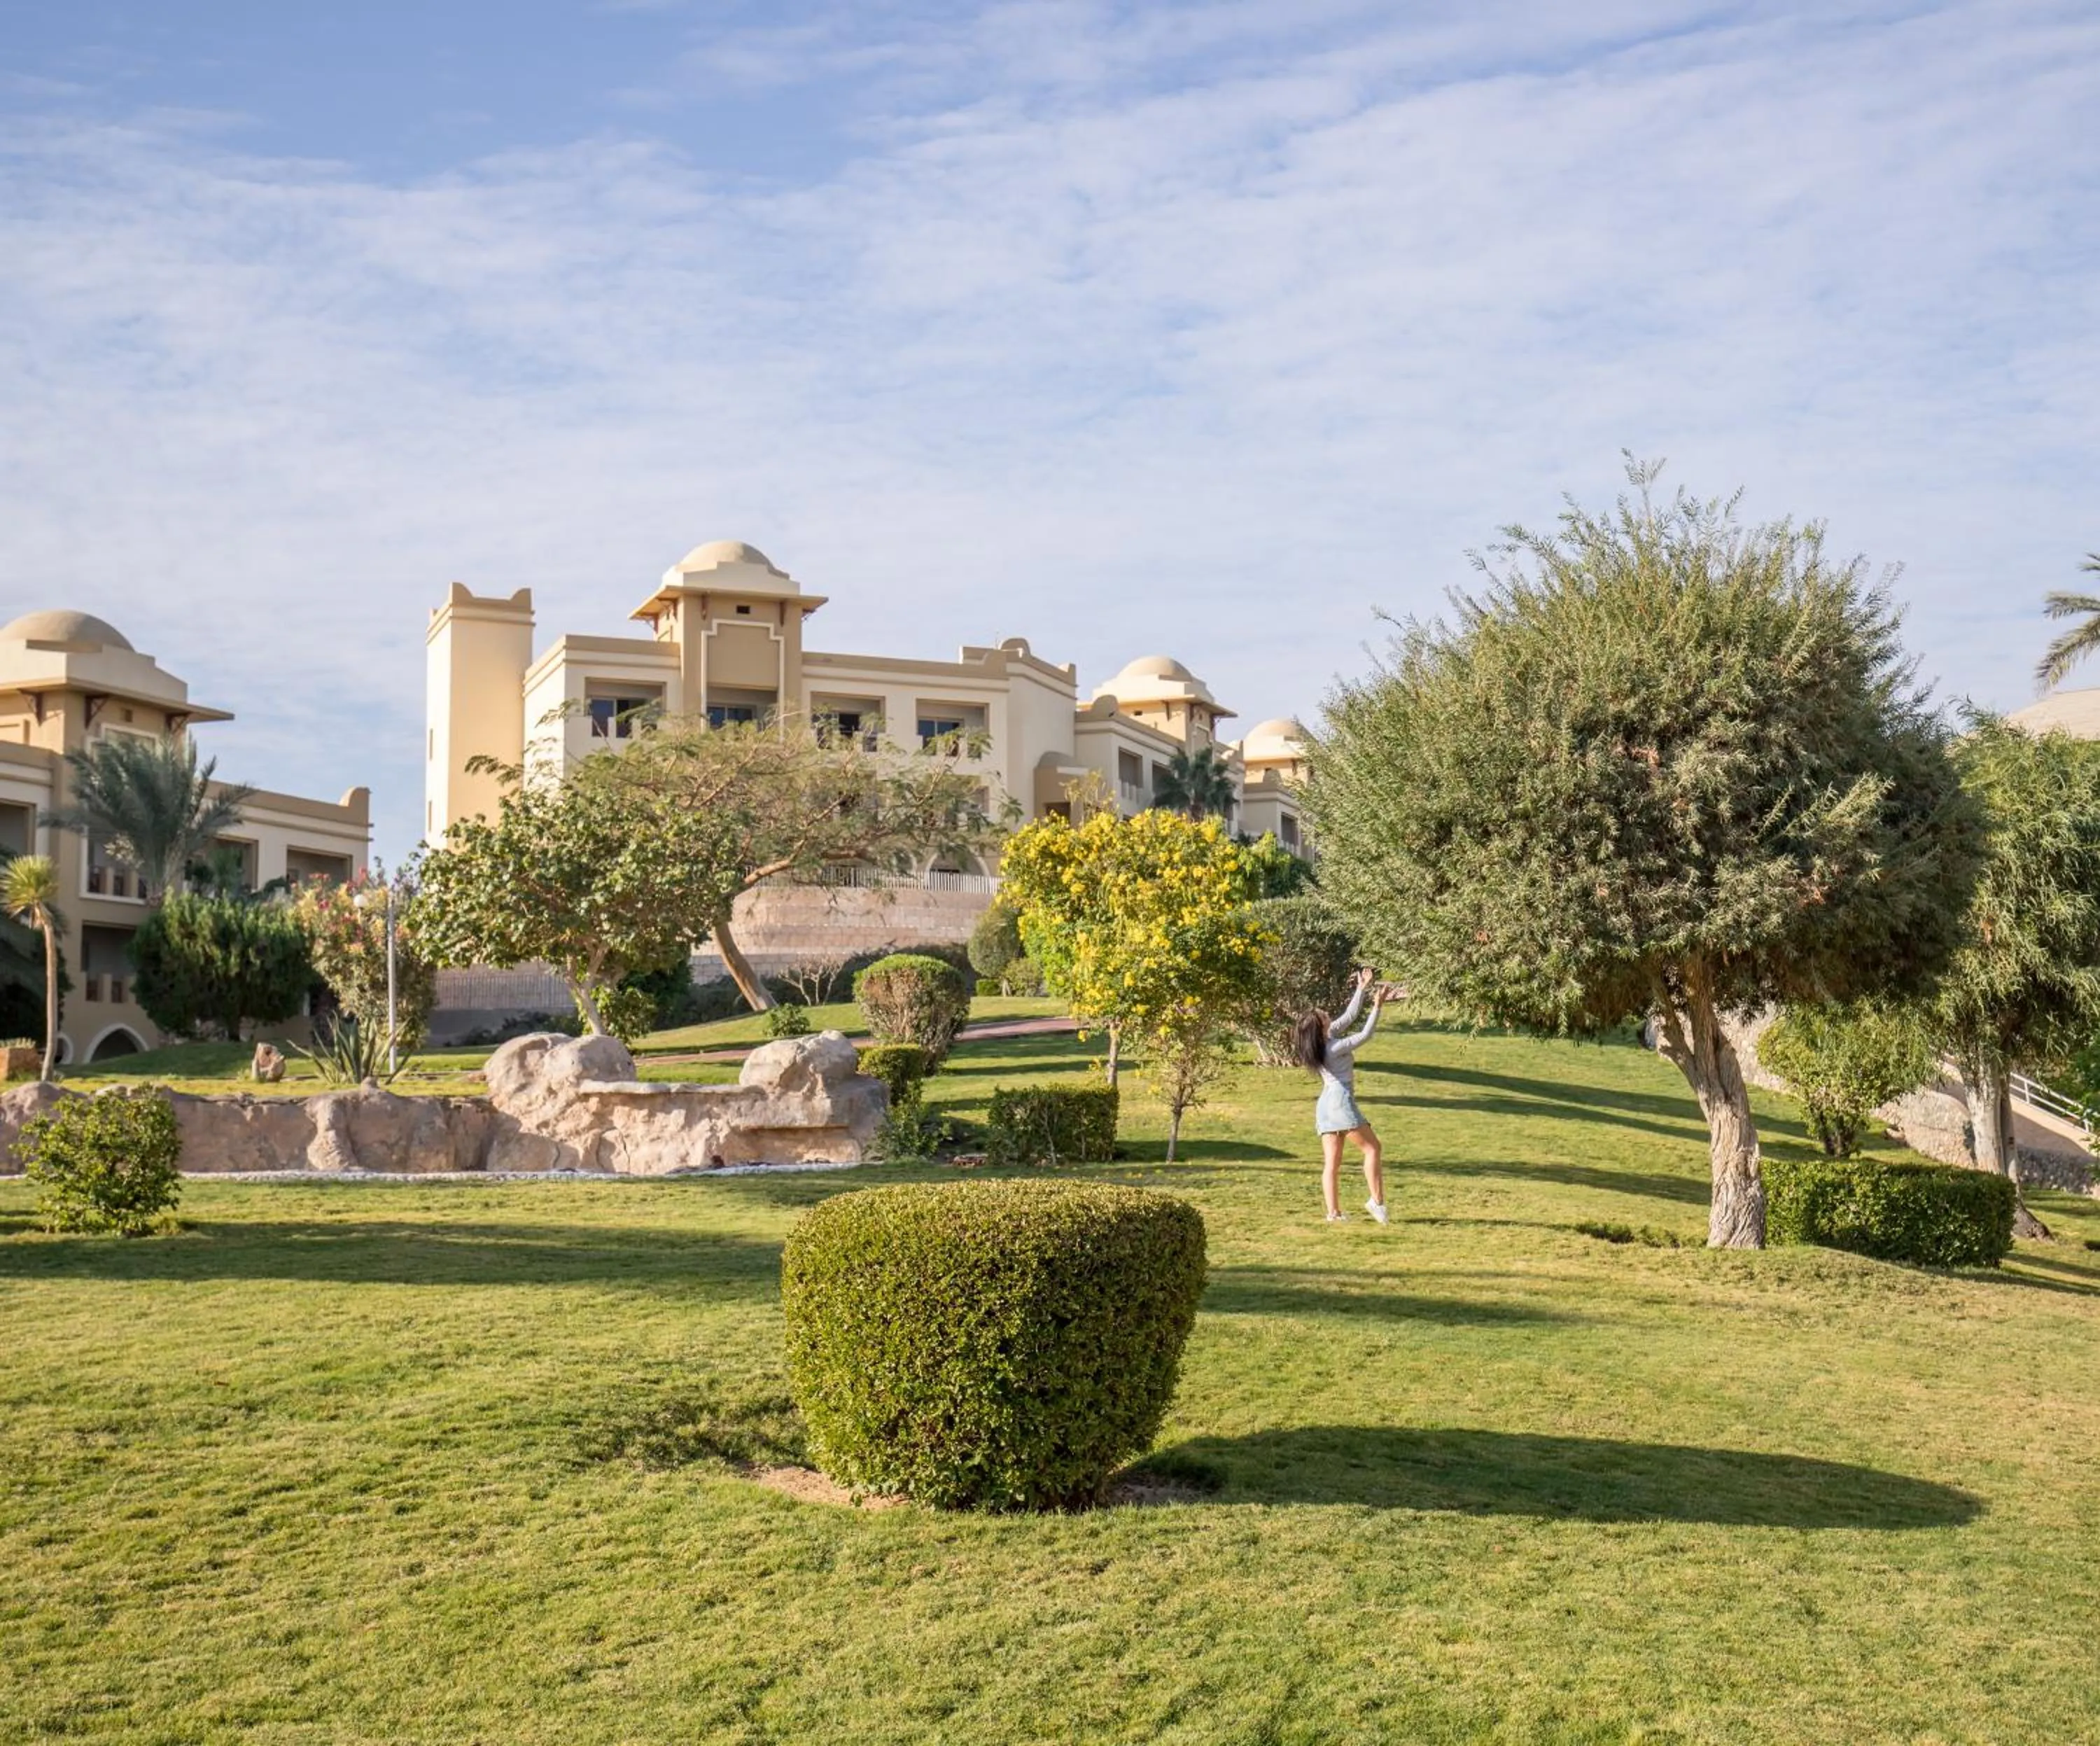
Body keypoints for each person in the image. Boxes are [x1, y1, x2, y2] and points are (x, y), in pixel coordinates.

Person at [1292, 965, 1393, 1224]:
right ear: (1320, 1026)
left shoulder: (1325, 1039)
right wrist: (1378, 1006)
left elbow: (1349, 1016)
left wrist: (1362, 988)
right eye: (1324, 1015)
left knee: (1332, 1163)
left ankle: (1334, 1214)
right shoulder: (1334, 1047)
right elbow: (1365, 1035)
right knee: (1373, 1148)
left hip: (1326, 1106)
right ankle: (1377, 1202)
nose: (1327, 1014)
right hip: (1340, 1103)